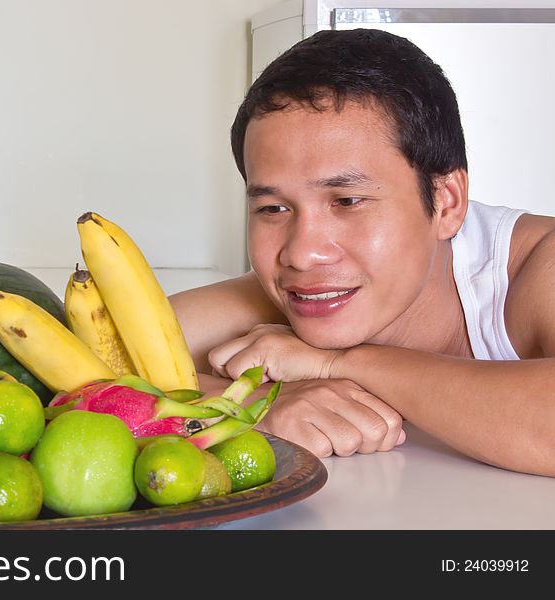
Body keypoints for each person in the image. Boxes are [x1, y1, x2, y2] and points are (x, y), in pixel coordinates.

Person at [170, 28, 555, 477]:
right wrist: (252, 405)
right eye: (273, 208)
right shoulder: (301, 286)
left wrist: (335, 364)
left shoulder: (537, 266)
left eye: (347, 201)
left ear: (446, 202)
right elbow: (82, 369)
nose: (303, 253)